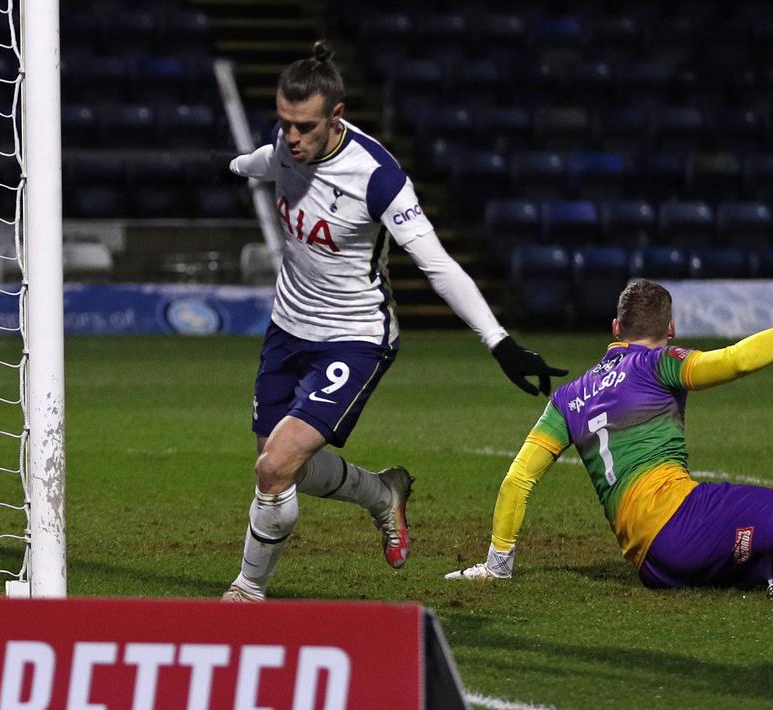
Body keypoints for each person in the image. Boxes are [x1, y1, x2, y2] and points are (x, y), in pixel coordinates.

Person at [217, 42, 567, 602]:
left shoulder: (377, 177)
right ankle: (382, 494)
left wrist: (499, 341)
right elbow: (260, 160)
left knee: (274, 468)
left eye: (304, 126)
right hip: (287, 329)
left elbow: (436, 263)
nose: (292, 137)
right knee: (283, 467)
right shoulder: (286, 147)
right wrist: (231, 165)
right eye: (284, 123)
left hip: (355, 338)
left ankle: (247, 592)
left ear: (337, 116)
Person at [446, 278, 773, 599]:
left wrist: (497, 563)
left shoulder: (569, 397)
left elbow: (518, 480)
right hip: (683, 519)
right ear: (671, 329)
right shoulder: (659, 364)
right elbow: (736, 360)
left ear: (614, 328)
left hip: (653, 566)